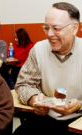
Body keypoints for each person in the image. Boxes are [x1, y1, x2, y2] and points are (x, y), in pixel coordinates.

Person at [14, 2, 82, 135]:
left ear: (74, 28)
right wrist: (34, 99)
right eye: (46, 28)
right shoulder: (38, 49)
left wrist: (79, 105)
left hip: (77, 121)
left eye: (56, 28)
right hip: (45, 118)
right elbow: (23, 84)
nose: (50, 34)